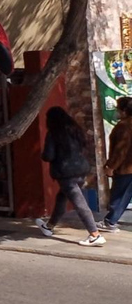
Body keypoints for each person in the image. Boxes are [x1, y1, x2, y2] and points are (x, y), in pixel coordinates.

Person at [35, 107, 106, 246]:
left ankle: (95, 234)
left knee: (79, 203)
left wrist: (42, 155)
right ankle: (49, 226)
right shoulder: (74, 129)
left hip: (66, 173)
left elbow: (49, 155)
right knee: (61, 198)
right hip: (81, 169)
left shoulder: (54, 134)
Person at [96, 96, 132, 233]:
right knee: (124, 196)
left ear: (124, 111)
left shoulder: (124, 126)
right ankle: (111, 220)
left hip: (125, 168)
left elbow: (121, 150)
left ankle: (110, 221)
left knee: (118, 195)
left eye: (118, 109)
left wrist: (111, 167)